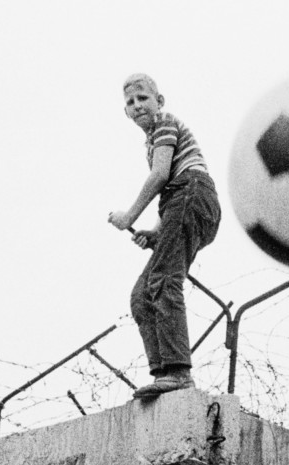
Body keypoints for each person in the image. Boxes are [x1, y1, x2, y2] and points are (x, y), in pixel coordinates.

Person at [106, 72, 221, 400]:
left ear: (160, 101)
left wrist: (129, 215)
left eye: (143, 98)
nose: (137, 105)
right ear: (125, 112)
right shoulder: (152, 140)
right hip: (182, 202)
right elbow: (170, 197)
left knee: (163, 281)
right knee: (142, 296)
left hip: (192, 193)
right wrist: (155, 234)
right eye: (130, 102)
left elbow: (161, 177)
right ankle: (163, 373)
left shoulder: (165, 123)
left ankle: (178, 373)